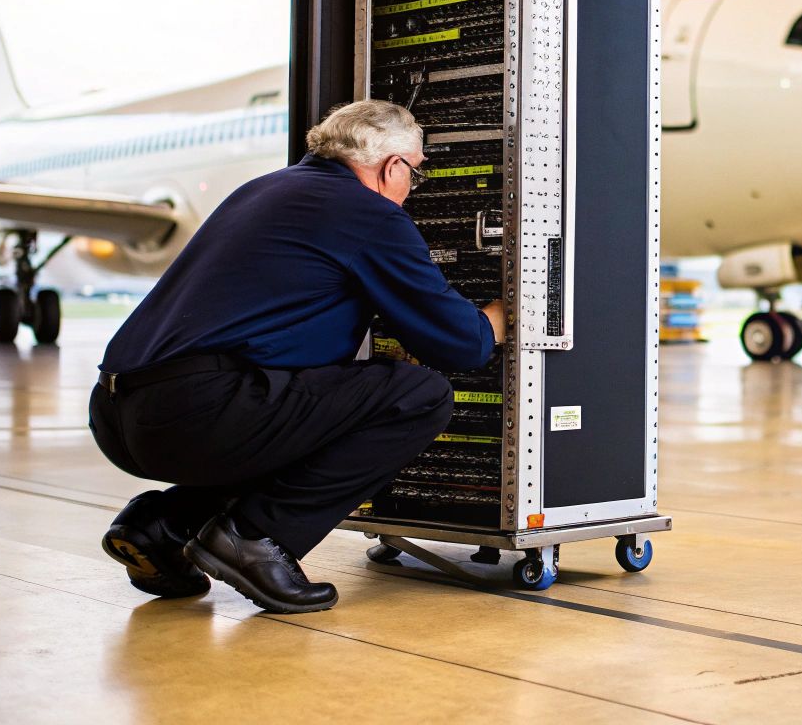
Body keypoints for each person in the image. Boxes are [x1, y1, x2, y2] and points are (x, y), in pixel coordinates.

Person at [89, 99, 504, 614]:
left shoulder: (264, 189)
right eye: (414, 176)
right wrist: (503, 314)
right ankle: (255, 539)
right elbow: (461, 345)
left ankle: (160, 526)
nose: (410, 190)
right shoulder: (368, 213)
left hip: (119, 413)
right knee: (419, 395)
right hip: (197, 414)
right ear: (392, 166)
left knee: (309, 410)